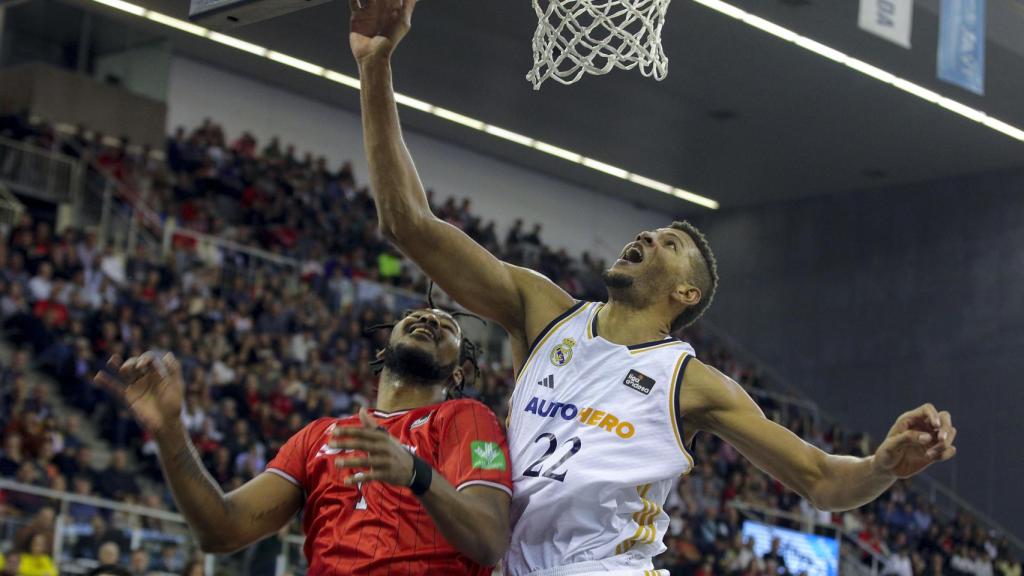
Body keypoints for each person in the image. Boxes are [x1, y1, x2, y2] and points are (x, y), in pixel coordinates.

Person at [349, 1, 959, 574]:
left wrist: (882, 467)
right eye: (652, 231)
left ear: (686, 294)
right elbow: (408, 225)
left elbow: (822, 479)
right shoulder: (541, 311)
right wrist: (375, 65)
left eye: (671, 243)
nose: (648, 234)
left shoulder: (689, 381)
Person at [95, 306, 511, 575]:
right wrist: (170, 431)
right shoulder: (319, 435)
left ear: (457, 375)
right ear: (383, 353)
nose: (430, 320)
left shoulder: (468, 419)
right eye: (417, 316)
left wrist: (415, 472)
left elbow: (489, 541)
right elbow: (221, 531)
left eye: (447, 325)